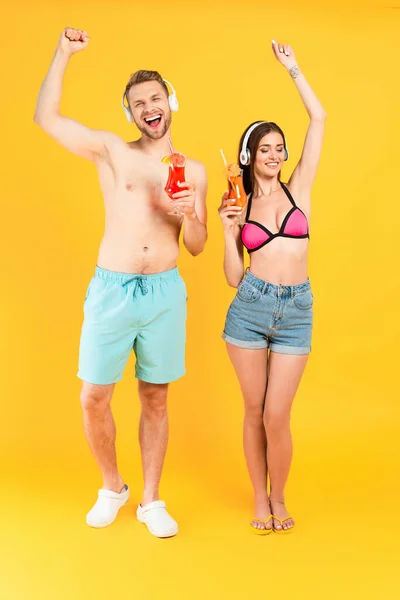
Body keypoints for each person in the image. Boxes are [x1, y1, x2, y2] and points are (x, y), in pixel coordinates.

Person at [34, 28, 208, 538]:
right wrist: (63, 53)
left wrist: (189, 214)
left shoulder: (192, 170)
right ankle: (113, 486)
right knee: (94, 396)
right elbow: (47, 119)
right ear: (130, 114)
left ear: (170, 103)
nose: (149, 107)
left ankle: (151, 500)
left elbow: (196, 244)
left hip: (163, 294)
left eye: (156, 98)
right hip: (112, 289)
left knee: (155, 396)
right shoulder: (113, 150)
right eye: (138, 103)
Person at [218, 40, 326, 534]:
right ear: (249, 154)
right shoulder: (238, 202)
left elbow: (319, 120)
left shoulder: (297, 187)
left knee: (277, 415)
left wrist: (294, 69)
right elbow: (234, 278)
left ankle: (278, 495)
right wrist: (227, 232)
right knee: (254, 410)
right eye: (266, 148)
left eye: (280, 148)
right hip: (250, 307)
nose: (276, 155)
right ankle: (259, 502)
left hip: (296, 308)